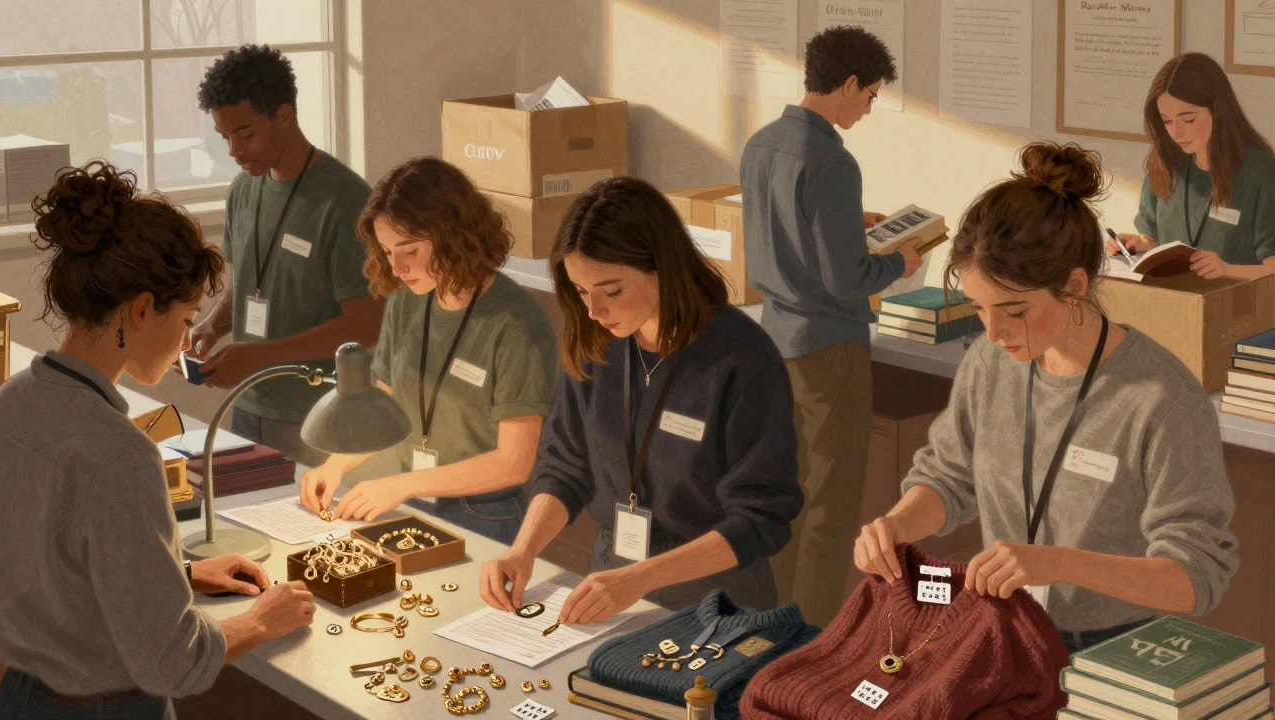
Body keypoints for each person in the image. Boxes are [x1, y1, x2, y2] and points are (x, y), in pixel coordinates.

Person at [855, 142, 1239, 654]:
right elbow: (949, 476)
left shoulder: (1161, 400)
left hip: (1112, 651)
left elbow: (1195, 577)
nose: (993, 334)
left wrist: (1057, 563)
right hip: (1006, 633)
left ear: (1074, 285)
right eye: (979, 308)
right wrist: (899, 523)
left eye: (1014, 312)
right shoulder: (989, 363)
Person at [0, 162, 315, 719]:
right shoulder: (121, 455)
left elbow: (47, 572)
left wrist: (178, 577)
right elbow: (173, 662)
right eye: (187, 318)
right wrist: (262, 621)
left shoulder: (10, 402)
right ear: (142, 310)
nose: (187, 342)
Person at [479, 177, 803, 623]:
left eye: (611, 291)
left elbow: (760, 519)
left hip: (715, 591)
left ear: (662, 267)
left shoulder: (743, 359)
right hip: (612, 573)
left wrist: (642, 577)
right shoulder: (595, 342)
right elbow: (565, 466)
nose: (593, 310)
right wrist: (523, 549)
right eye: (580, 291)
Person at [740, 24, 923, 627]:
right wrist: (900, 261)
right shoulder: (832, 160)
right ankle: (811, 633)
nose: (867, 108)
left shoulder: (761, 144)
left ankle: (770, 624)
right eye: (869, 95)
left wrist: (849, 221)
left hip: (774, 340)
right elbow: (848, 279)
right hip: (828, 349)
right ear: (848, 84)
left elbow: (785, 231)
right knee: (830, 505)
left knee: (787, 495)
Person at [298, 157, 558, 544]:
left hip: (484, 514)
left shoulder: (515, 323)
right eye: (387, 252)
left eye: (410, 250)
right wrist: (334, 466)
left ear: (454, 236)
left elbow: (513, 464)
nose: (397, 268)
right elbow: (385, 402)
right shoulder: (406, 301)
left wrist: (401, 485)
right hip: (414, 504)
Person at [188, 44, 383, 466]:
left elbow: (367, 325)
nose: (233, 150)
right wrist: (212, 325)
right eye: (224, 136)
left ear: (284, 115)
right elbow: (248, 279)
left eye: (245, 133)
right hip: (246, 402)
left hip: (319, 413)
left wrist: (259, 355)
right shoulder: (243, 190)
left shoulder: (346, 201)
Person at [1107, 52, 1275, 280]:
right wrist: (1141, 244)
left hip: (1235, 299)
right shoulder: (1165, 165)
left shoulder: (1261, 173)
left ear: (1217, 110)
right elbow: (1153, 236)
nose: (1177, 133)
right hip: (1173, 297)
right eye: (1167, 121)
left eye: (1188, 120)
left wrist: (1227, 269)